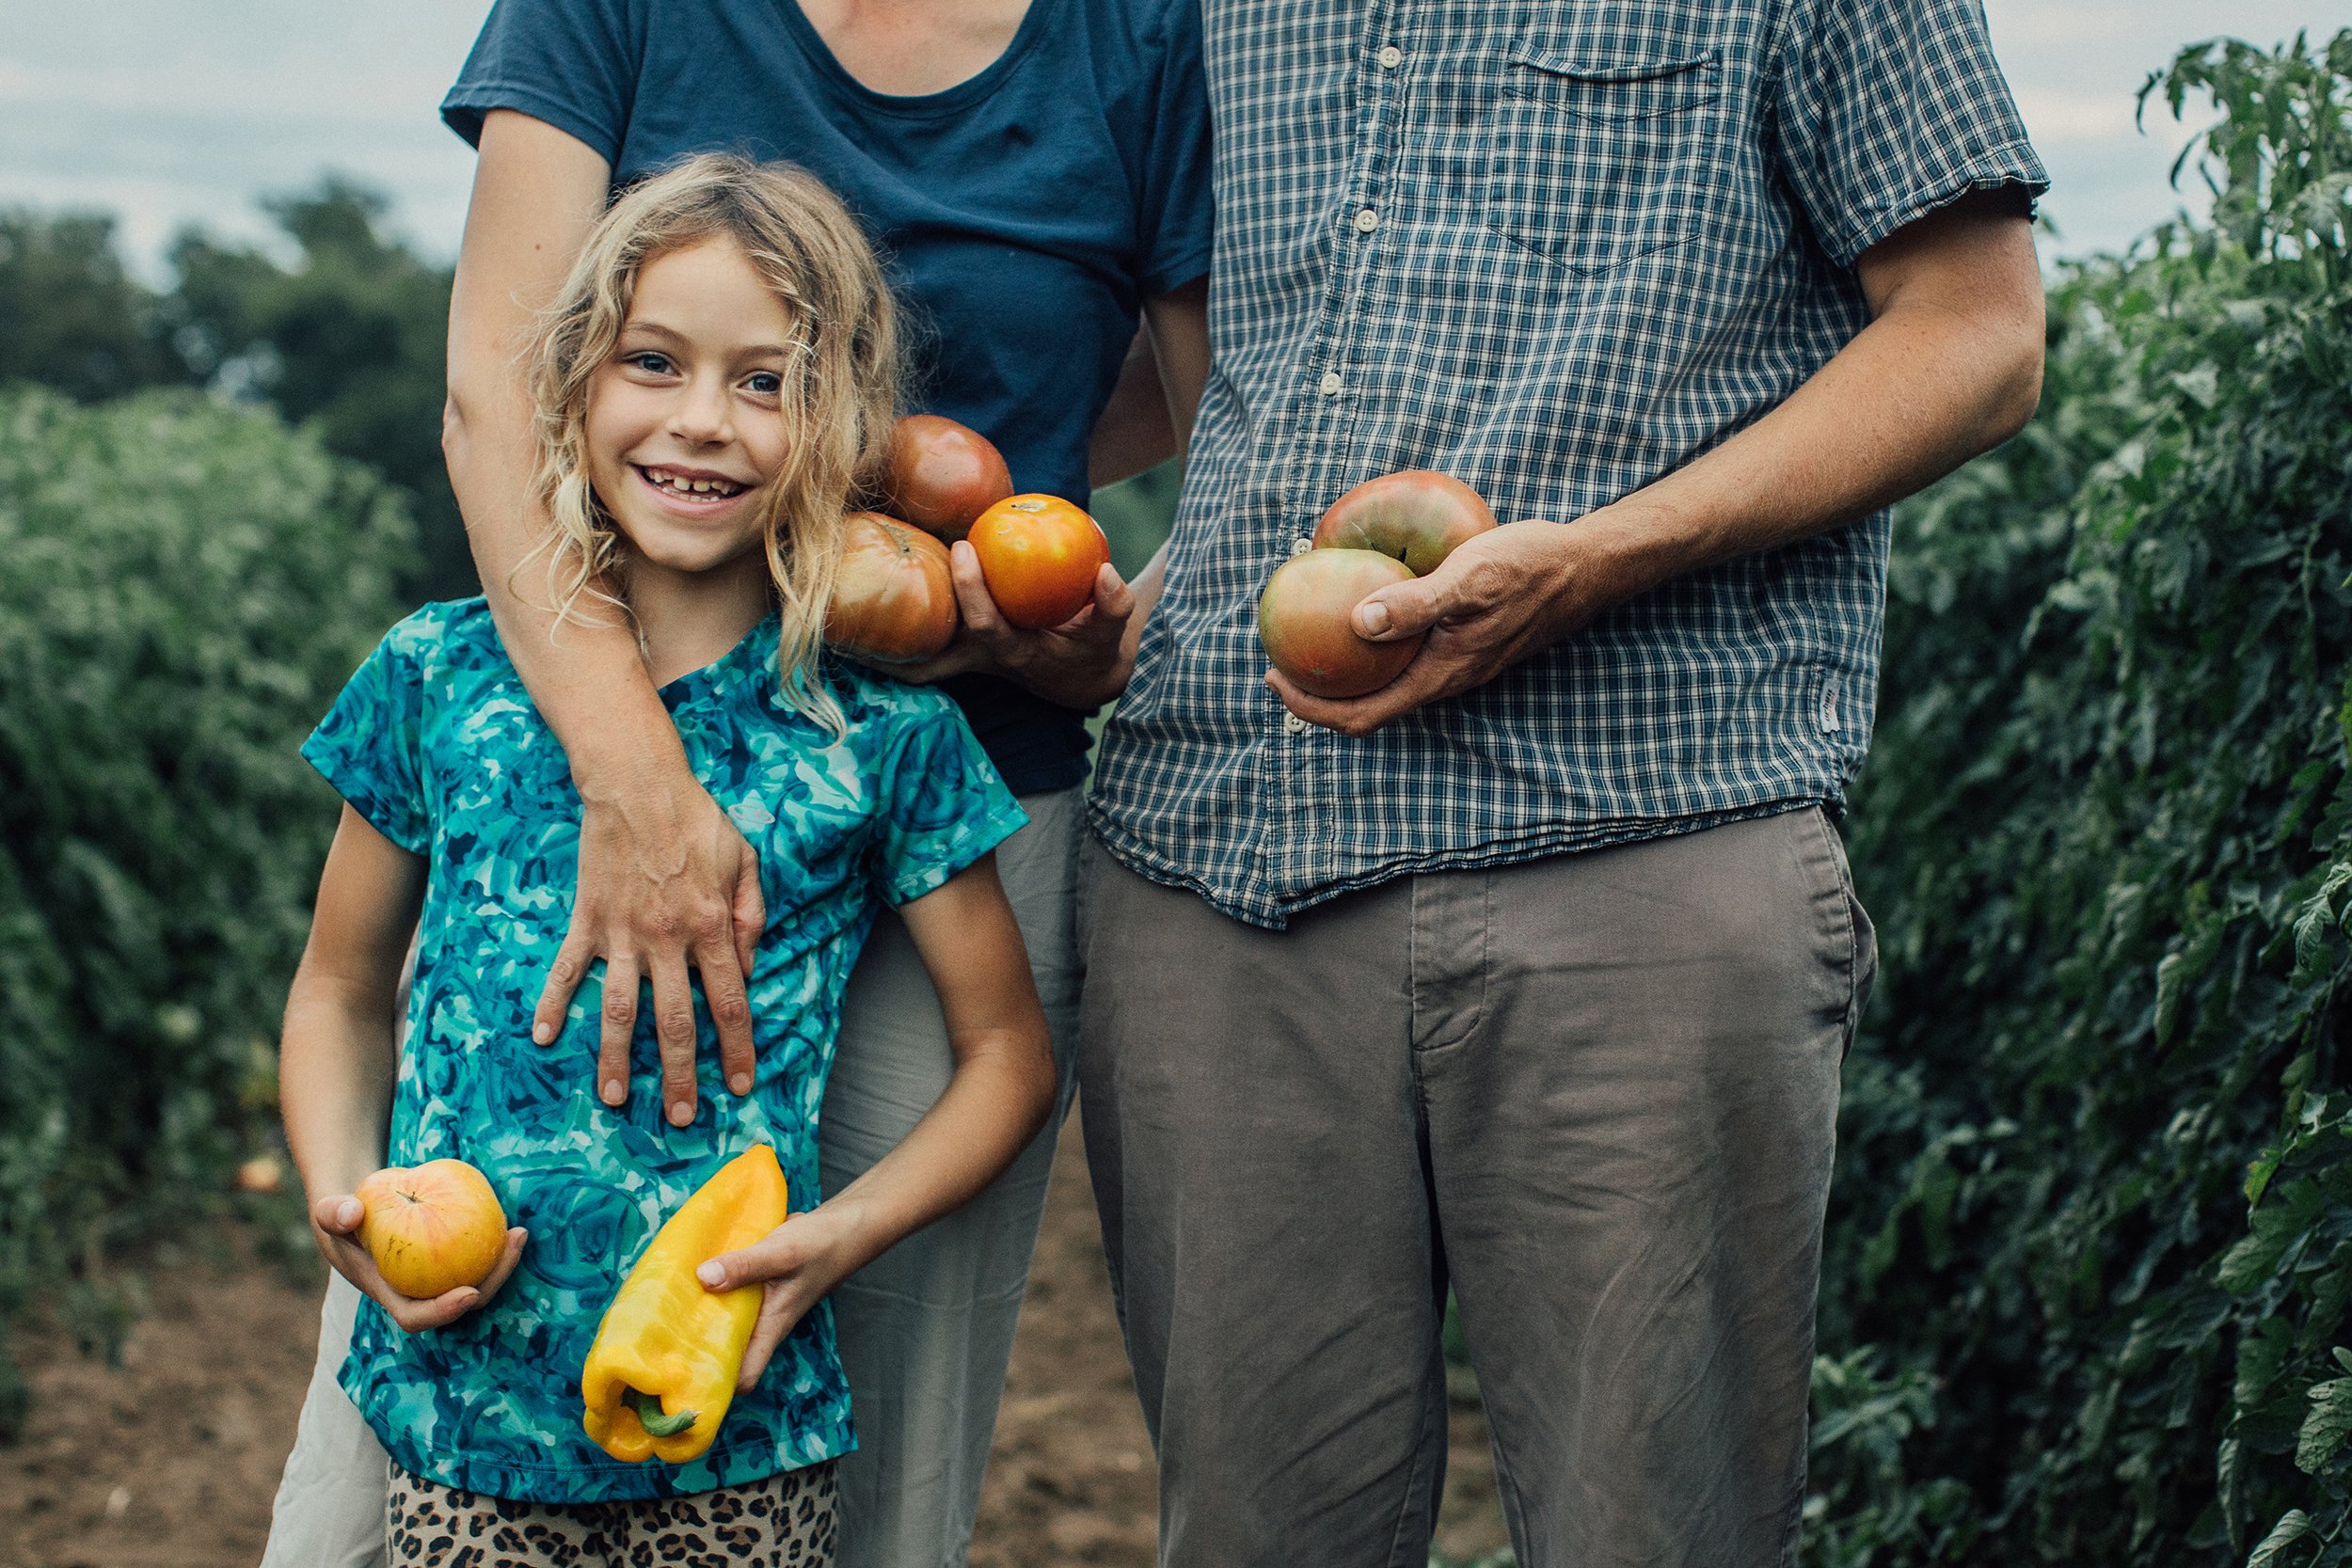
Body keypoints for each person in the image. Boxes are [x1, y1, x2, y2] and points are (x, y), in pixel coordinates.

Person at [1069, 2, 2053, 1564]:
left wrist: (1600, 558)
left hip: (1637, 836)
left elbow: (1977, 332)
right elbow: (1170, 332)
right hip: (1222, 861)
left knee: (1655, 1532)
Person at [262, 2, 1210, 1564]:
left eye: (766, 386)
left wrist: (1082, 629)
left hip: (967, 787)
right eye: (652, 366)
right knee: (351, 1518)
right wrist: (634, 779)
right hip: (581, 751)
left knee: (861, 1473)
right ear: (594, 372)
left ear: (830, 424)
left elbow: (1227, 408)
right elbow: (340, 988)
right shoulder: (446, 687)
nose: (702, 419)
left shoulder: (1136, 34)